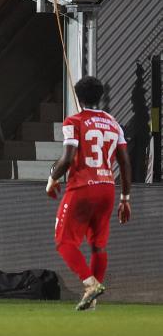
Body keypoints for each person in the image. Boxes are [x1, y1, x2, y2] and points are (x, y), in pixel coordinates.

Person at [46, 76, 131, 311]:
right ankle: (92, 302)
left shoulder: (74, 121)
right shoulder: (114, 123)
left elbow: (68, 158)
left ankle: (90, 284)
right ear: (99, 96)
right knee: (98, 246)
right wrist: (125, 198)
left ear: (78, 97)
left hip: (83, 187)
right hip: (107, 188)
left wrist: (52, 179)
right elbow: (124, 163)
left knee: (64, 242)